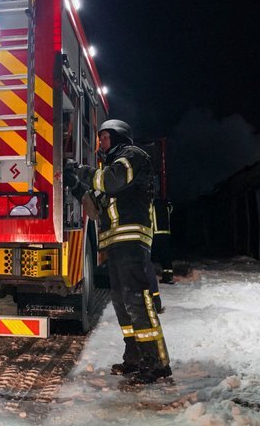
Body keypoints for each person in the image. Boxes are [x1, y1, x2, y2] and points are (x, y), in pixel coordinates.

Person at [64, 119, 171, 385]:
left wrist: (79, 169)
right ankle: (134, 358)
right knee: (122, 302)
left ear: (118, 136)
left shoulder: (132, 157)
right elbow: (95, 205)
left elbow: (109, 182)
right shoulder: (115, 169)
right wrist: (74, 182)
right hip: (117, 244)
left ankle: (157, 363)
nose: (100, 143)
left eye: (104, 137)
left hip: (132, 241)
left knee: (137, 299)